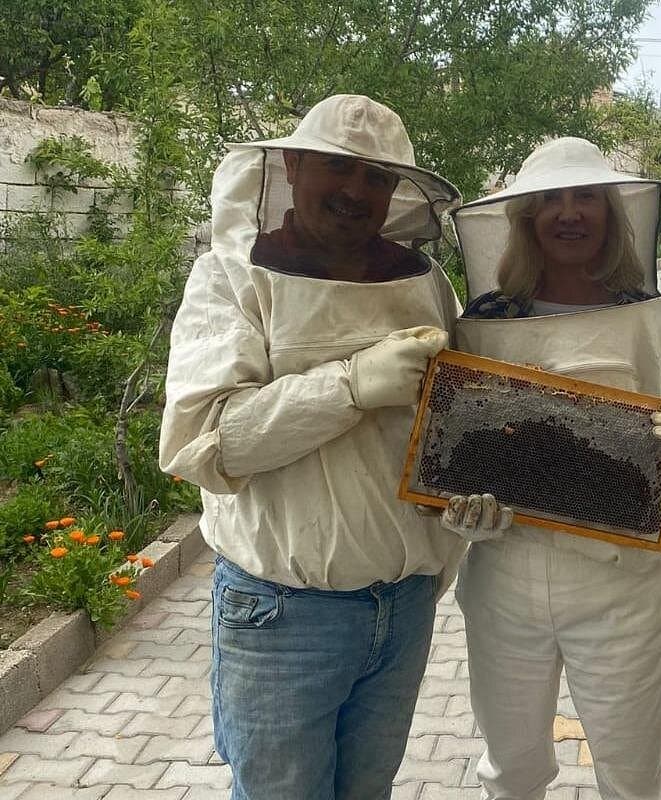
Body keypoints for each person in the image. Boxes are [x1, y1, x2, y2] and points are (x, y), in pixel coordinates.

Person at [159, 94, 465, 799]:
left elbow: (451, 424)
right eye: (337, 167)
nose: (357, 191)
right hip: (282, 616)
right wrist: (351, 385)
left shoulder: (426, 284)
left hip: (405, 607)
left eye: (378, 178)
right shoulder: (232, 277)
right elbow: (203, 442)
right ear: (292, 166)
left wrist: (469, 502)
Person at [443, 136, 661, 800]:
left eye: (586, 199)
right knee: (511, 770)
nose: (570, 214)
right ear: (526, 219)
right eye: (552, 202)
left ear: (611, 215)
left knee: (632, 779)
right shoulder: (483, 326)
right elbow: (449, 450)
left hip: (620, 589)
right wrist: (461, 513)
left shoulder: (654, 323)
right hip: (502, 583)